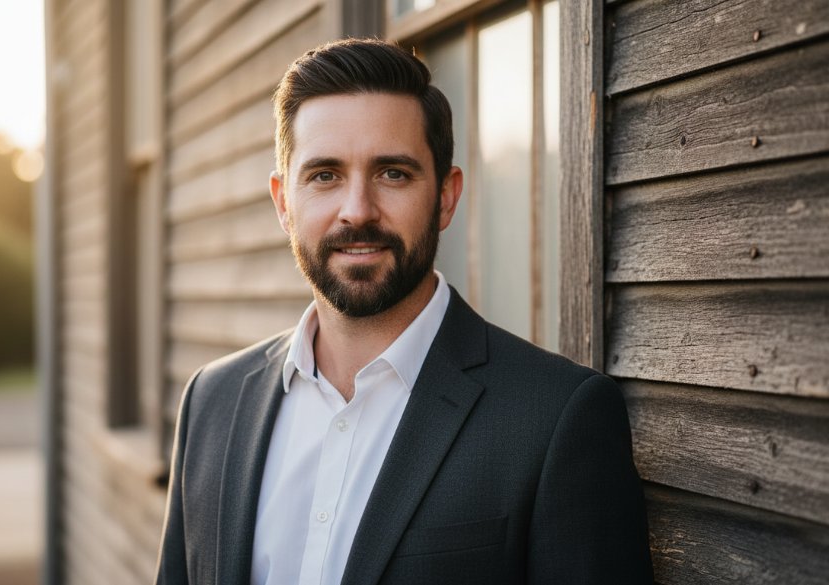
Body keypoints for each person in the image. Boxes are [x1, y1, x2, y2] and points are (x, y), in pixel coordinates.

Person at [155, 38, 653, 585]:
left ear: (445, 196)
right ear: (282, 203)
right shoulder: (212, 401)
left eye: (392, 173)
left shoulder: (557, 418)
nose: (357, 210)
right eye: (325, 175)